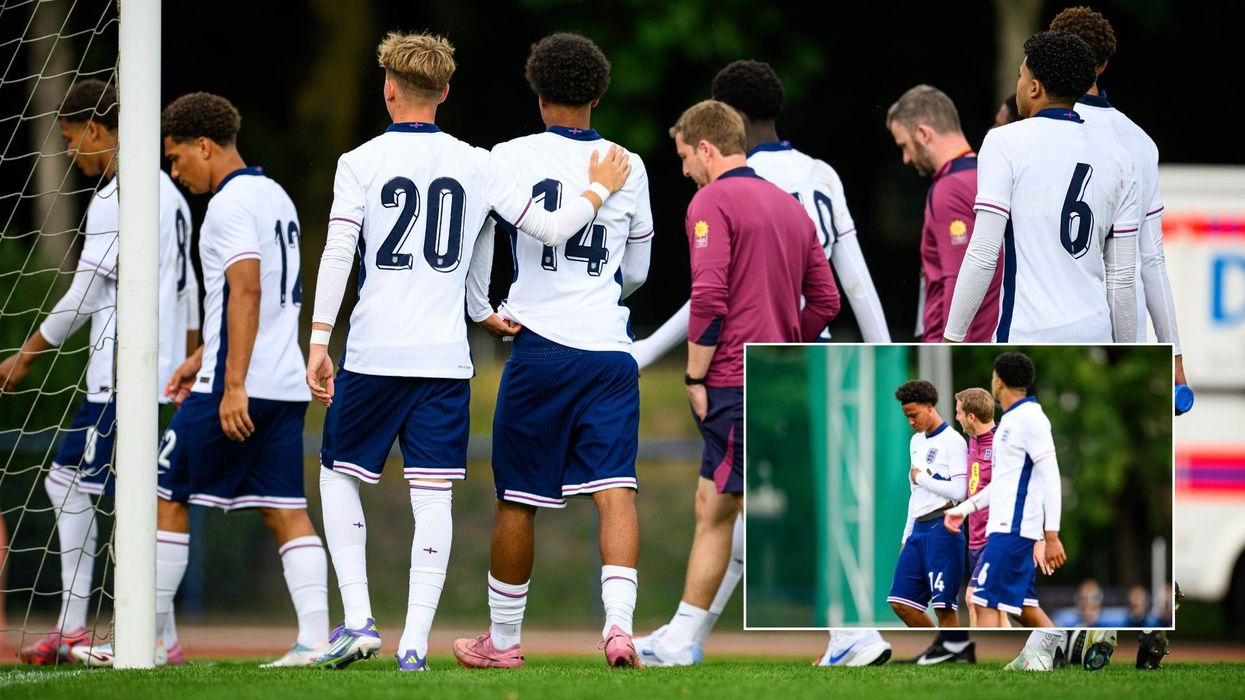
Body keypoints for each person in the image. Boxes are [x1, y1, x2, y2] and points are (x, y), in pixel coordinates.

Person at [305, 32, 630, 672]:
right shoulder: (478, 163)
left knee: (337, 474)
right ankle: (415, 647)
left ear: (389, 88)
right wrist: (595, 190)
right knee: (434, 498)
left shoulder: (358, 160)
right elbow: (546, 229)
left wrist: (320, 339)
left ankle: (359, 619)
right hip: (446, 360)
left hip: (374, 351)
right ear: (446, 92)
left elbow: (339, 253)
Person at [633, 59, 890, 666]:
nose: (684, 169)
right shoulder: (811, 182)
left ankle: (852, 628)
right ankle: (685, 637)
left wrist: (673, 363)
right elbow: (841, 290)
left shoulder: (719, 198)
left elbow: (712, 293)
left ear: (720, 128)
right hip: (801, 363)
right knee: (723, 503)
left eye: (686, 155)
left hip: (735, 372)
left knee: (764, 507)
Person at [75, 92, 329, 668]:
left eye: (175, 157)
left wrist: (229, 380)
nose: (174, 170)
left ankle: (149, 643)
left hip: (238, 383)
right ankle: (315, 641)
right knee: (283, 506)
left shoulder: (229, 205)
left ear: (204, 146)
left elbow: (248, 288)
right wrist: (202, 356)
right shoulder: (275, 196)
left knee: (163, 495)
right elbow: (253, 297)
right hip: (282, 383)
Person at [452, 33, 650, 671]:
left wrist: (482, 308)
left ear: (538, 97)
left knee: (518, 495)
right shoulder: (631, 163)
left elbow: (481, 240)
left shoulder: (507, 155)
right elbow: (639, 270)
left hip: (539, 345)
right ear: (596, 94)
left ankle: (503, 642)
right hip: (610, 350)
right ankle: (619, 629)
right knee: (616, 488)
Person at [3, 79, 197, 665]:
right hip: (159, 372)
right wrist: (188, 362)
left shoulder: (120, 197)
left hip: (124, 373)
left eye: (69, 139)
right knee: (110, 490)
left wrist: (27, 352)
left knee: (91, 489)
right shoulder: (170, 193)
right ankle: (141, 634)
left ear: (95, 129)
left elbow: (85, 292)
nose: (68, 153)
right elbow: (187, 293)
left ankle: (93, 630)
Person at [942, 31, 1139, 343]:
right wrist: (1130, 348)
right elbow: (1122, 277)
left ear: (1034, 87)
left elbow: (983, 252)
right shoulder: (1121, 158)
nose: (1018, 85)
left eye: (1020, 75)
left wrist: (952, 337)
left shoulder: (1004, 141)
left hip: (1028, 330)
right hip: (1095, 331)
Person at [1051, 6, 1186, 389]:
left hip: (1047, 325)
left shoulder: (1028, 134)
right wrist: (1174, 354)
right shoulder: (1140, 143)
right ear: (1105, 65)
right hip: (1122, 333)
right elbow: (1152, 260)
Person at [944, 353, 1066, 660]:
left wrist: (1050, 535)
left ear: (998, 381)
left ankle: (988, 675)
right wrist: (964, 509)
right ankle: (1066, 651)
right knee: (1024, 608)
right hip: (1005, 528)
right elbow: (1001, 483)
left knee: (981, 599)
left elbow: (1050, 475)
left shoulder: (1031, 419)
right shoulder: (1009, 422)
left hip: (1013, 529)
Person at [886, 85, 1000, 343]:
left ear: (924, 134)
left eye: (904, 146)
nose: (905, 158)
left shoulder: (949, 189)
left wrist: (946, 345)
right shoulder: (990, 177)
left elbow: (959, 277)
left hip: (956, 339)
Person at [885, 380, 967, 627]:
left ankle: (953, 652)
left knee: (944, 608)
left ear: (930, 406)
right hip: (918, 531)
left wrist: (922, 477)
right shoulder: (916, 442)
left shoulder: (954, 441)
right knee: (900, 603)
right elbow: (915, 495)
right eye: (907, 416)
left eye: (914, 414)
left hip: (944, 528)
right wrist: (905, 536)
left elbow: (960, 491)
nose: (911, 421)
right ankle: (938, 647)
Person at [955, 388, 1000, 630]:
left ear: (971, 417)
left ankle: (972, 654)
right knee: (997, 610)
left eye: (959, 413)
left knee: (973, 598)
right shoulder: (971, 440)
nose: (957, 418)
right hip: (974, 538)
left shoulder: (1003, 441)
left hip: (995, 536)